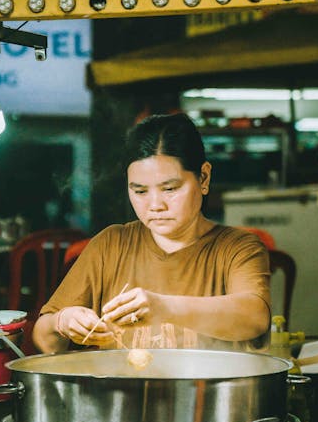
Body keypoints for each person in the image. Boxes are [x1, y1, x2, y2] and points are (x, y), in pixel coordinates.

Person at [32, 113, 271, 354]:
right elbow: (44, 339)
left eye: (170, 189)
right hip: (118, 390)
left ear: (204, 178)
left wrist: (163, 307)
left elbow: (254, 317)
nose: (155, 205)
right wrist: (62, 321)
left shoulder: (238, 247)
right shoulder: (110, 246)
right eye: (140, 191)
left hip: (204, 391)